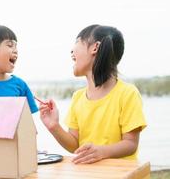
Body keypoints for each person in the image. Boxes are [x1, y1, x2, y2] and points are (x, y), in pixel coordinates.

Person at [39, 24, 147, 164]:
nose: (71, 50)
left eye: (77, 42)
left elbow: (130, 144)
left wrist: (102, 152)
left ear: (94, 48)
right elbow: (75, 146)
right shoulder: (77, 97)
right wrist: (54, 126)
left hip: (120, 173)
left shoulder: (127, 93)